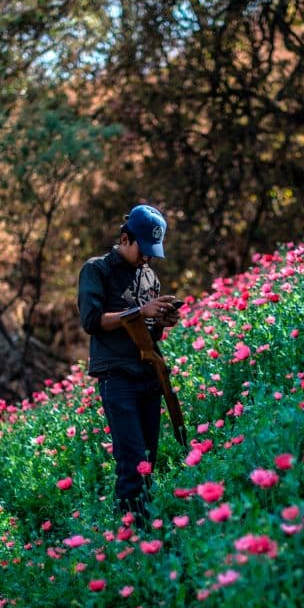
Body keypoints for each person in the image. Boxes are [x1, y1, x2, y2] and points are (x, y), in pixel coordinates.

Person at [77, 204, 181, 526]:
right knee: (132, 461)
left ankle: (146, 528)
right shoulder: (97, 271)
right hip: (117, 377)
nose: (147, 258)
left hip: (148, 376)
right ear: (125, 238)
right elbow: (92, 321)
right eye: (143, 251)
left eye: (152, 253)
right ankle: (129, 535)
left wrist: (164, 320)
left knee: (148, 460)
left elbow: (150, 333)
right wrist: (139, 312)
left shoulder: (150, 277)